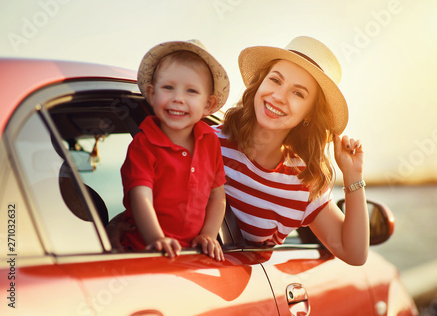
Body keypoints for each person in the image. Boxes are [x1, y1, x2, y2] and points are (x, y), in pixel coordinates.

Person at [110, 36, 369, 266]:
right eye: (275, 80)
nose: (278, 96)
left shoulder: (303, 183)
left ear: (310, 114)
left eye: (298, 94)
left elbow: (354, 254)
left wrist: (352, 175)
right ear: (259, 83)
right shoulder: (201, 140)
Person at [119, 40, 229, 261]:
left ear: (208, 105)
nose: (178, 98)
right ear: (151, 93)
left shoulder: (210, 141)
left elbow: (217, 196)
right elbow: (141, 196)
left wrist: (208, 234)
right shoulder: (144, 143)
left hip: (190, 255)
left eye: (191, 91)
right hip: (144, 253)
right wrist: (156, 238)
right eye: (168, 87)